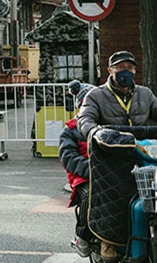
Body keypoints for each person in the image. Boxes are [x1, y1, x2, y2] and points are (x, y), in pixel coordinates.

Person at [77, 51, 157, 261]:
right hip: (112, 156)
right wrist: (94, 132)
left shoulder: (145, 94)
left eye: (130, 68)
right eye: (120, 68)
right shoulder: (96, 95)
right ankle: (108, 240)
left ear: (135, 70)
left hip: (142, 152)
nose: (126, 72)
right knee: (110, 196)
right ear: (110, 71)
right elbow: (85, 119)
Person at [60, 80, 96, 256]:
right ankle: (82, 235)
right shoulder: (70, 131)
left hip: (108, 172)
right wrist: (91, 169)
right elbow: (68, 158)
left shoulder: (104, 127)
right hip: (83, 177)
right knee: (90, 195)